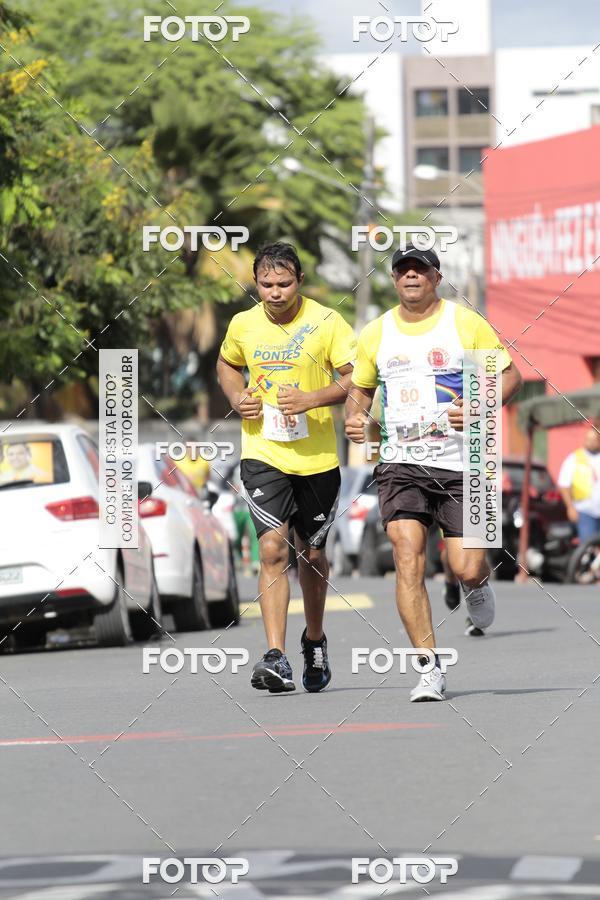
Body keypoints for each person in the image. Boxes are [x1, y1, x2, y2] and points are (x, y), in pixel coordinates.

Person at [345, 244, 522, 702]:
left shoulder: (465, 323)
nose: (411, 276)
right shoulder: (377, 332)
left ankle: (476, 585)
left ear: (436, 278)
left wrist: (479, 405)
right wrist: (356, 419)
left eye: (419, 270)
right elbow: (359, 392)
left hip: (466, 462)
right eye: (402, 270)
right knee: (408, 556)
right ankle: (428, 668)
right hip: (401, 462)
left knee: (467, 565)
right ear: (394, 279)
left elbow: (510, 377)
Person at [216, 242, 356, 693]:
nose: (274, 293)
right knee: (273, 549)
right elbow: (226, 364)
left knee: (311, 555)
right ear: (256, 283)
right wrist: (236, 396)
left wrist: (313, 399)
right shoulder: (243, 324)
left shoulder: (326, 321)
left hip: (317, 459)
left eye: (284, 283)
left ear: (300, 281)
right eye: (266, 284)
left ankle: (314, 640)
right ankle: (275, 656)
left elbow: (357, 376)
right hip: (263, 454)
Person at [558, 426, 600, 543]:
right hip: (585, 511)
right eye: (588, 439)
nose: (590, 442)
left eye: (594, 439)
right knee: (589, 546)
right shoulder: (575, 458)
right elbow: (564, 485)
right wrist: (570, 507)